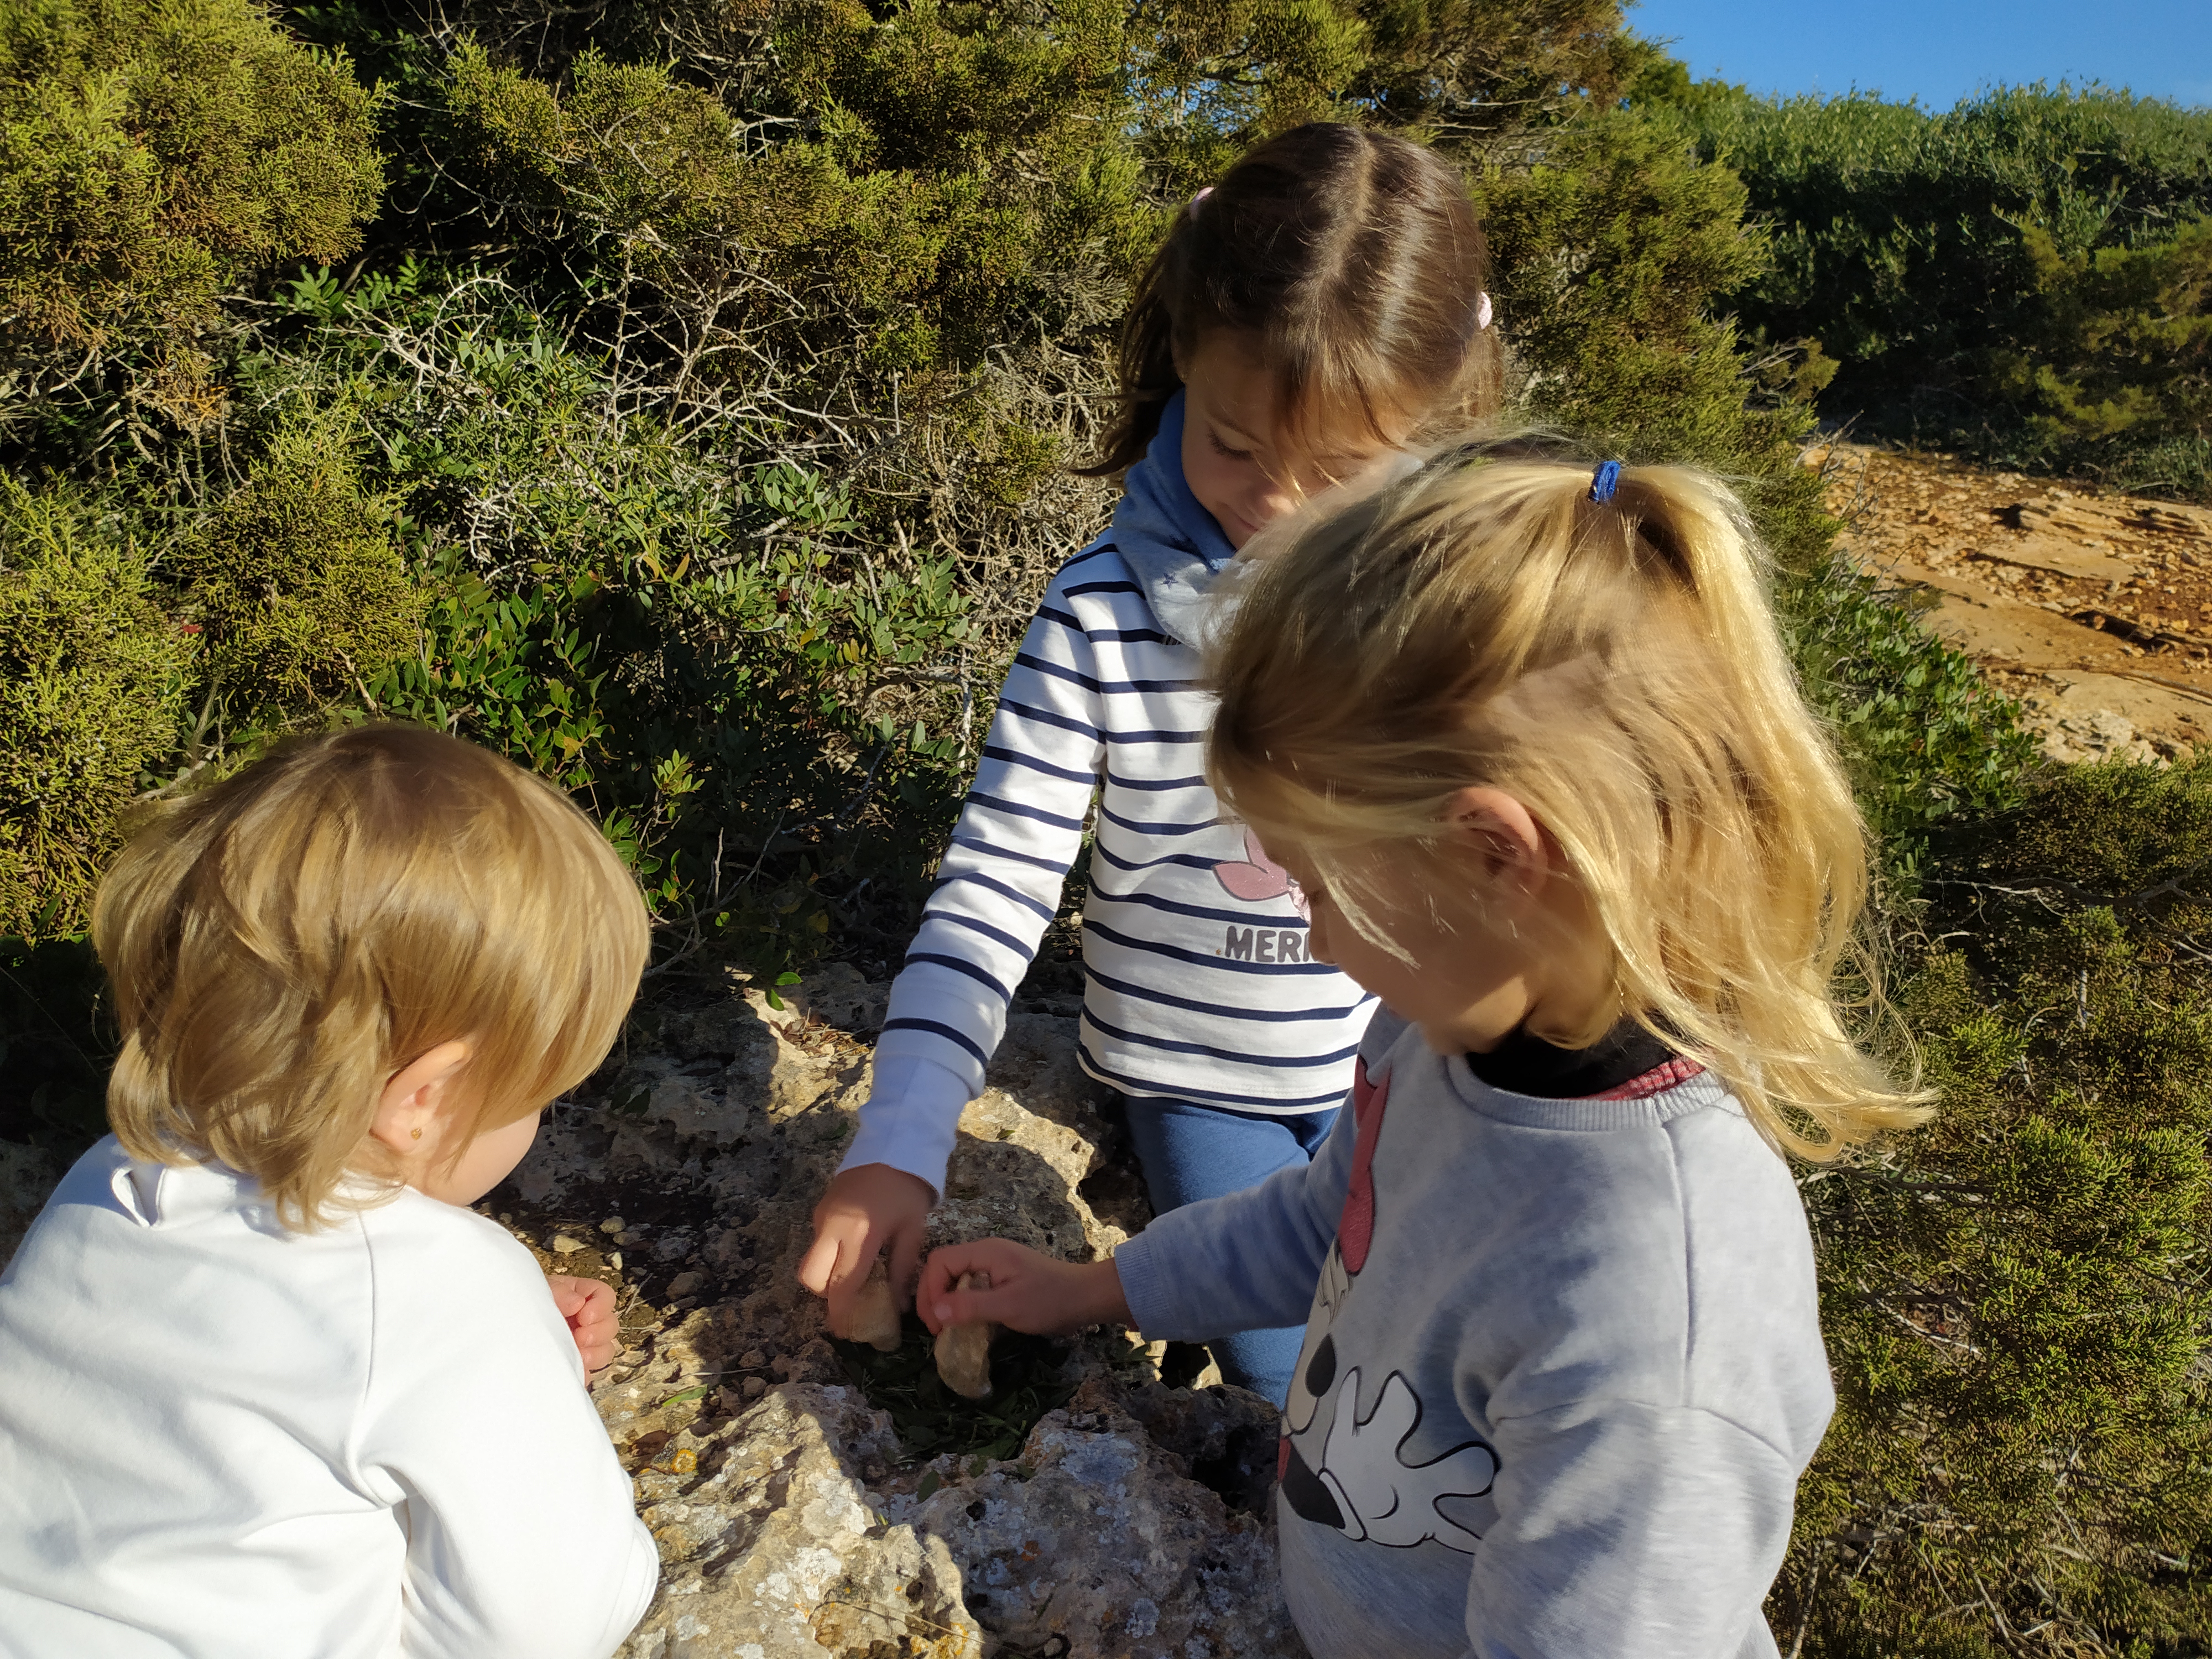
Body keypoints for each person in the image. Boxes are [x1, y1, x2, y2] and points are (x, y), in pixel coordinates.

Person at [916, 442, 1935, 1657]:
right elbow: (1320, 1225)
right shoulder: (1447, 1031)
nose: (1312, 935)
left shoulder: (1651, 1315)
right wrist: (1093, 1290)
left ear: (1493, 857)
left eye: (1318, 886)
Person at [800, 122, 1503, 1406]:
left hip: (1404, 1064)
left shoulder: (1457, 614)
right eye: (1232, 444)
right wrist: (896, 1145)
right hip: (1200, 1083)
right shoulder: (1099, 615)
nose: (1274, 507)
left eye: (1341, 472)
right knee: (1280, 1365)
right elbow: (996, 884)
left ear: (1436, 420)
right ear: (1183, 356)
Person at [0, 726, 661, 1659]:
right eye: (539, 1098)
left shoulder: (115, 1173)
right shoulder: (453, 1295)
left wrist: (475, 1349)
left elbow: (255, 1355)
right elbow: (547, 1624)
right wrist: (506, 1354)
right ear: (424, 1099)